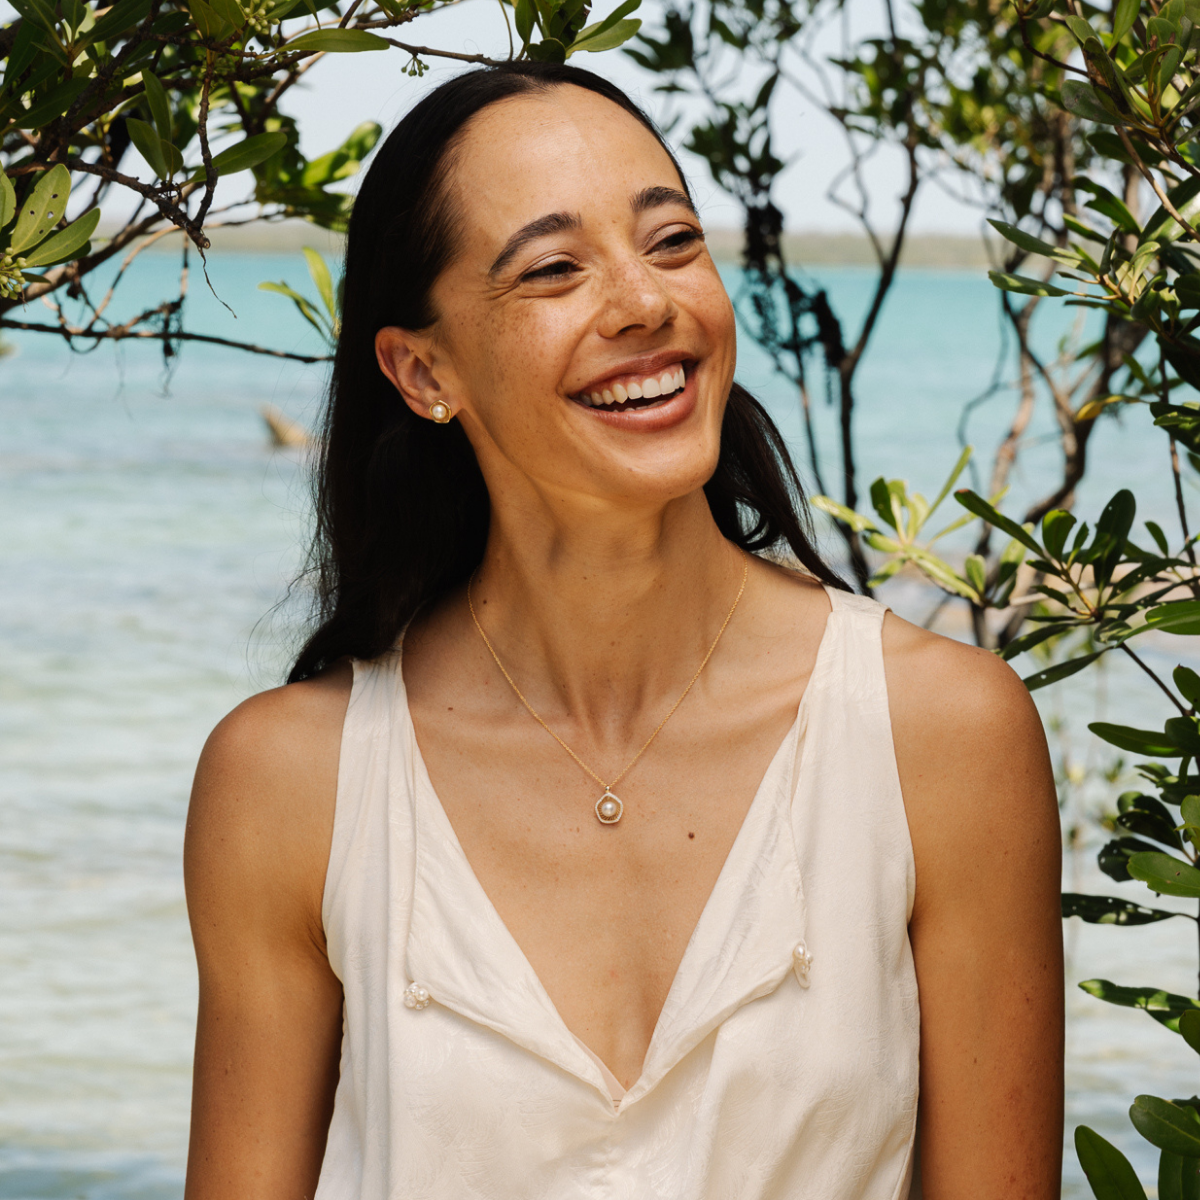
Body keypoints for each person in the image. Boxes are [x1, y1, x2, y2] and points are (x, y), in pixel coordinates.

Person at [182, 61, 1064, 1200]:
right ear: (421, 369)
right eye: (555, 268)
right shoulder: (288, 782)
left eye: (674, 241)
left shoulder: (941, 733)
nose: (646, 301)